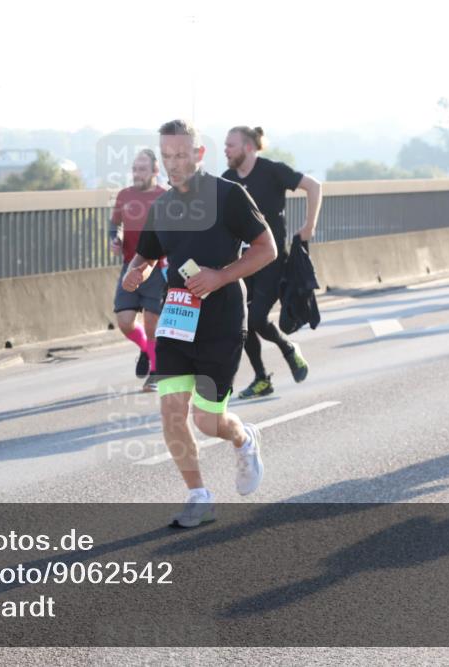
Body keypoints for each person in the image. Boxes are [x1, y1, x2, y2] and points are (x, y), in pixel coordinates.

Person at [122, 119, 276, 528]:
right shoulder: (162, 206)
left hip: (221, 320)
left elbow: (267, 248)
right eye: (167, 156)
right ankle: (199, 496)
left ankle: (243, 438)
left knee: (208, 421)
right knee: (172, 412)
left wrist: (221, 275)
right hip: (176, 317)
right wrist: (136, 269)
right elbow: (150, 253)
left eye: (180, 155)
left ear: (198, 154)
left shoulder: (228, 196)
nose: (173, 164)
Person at [221, 126, 320, 399]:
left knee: (255, 318)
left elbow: (313, 186)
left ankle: (288, 348)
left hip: (272, 260)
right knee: (241, 322)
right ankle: (261, 379)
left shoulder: (272, 170)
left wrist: (308, 226)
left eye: (231, 145)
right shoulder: (227, 179)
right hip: (242, 261)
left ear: (249, 147)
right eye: (225, 145)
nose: (225, 150)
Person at [110, 150, 166, 391]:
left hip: (157, 267)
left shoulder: (165, 197)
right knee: (124, 321)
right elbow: (115, 225)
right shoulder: (124, 195)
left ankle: (155, 373)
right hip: (130, 265)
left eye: (142, 169)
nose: (137, 174)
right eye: (134, 169)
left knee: (153, 323)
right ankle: (145, 349)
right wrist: (116, 239)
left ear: (155, 171)